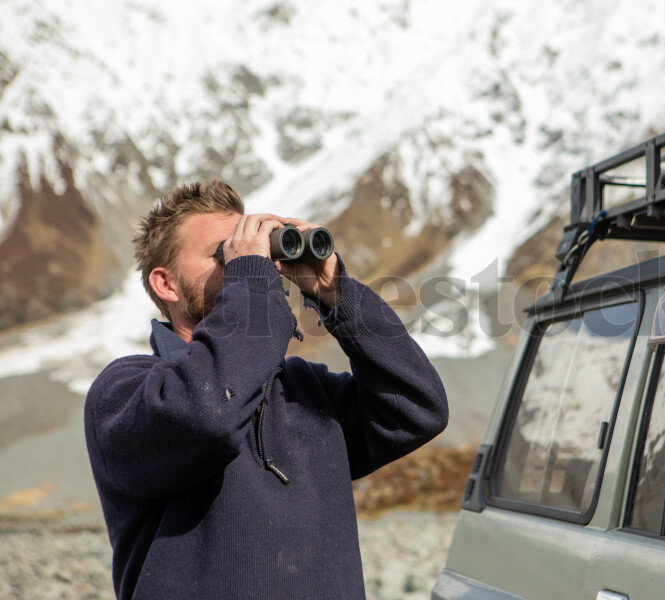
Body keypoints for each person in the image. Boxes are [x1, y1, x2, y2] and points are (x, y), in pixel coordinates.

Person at [83, 180, 448, 599]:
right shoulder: (126, 392)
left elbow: (419, 408)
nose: (246, 262)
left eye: (250, 251)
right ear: (166, 284)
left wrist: (336, 296)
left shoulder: (304, 391)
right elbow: (209, 415)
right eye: (225, 253)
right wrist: (252, 280)